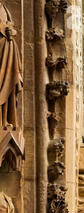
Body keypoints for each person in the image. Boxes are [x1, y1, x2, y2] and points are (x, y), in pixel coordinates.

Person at [0, 1, 22, 129]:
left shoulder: (4, 8)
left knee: (8, 87)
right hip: (2, 50)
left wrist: (11, 32)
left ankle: (4, 120)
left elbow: (11, 26)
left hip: (7, 51)